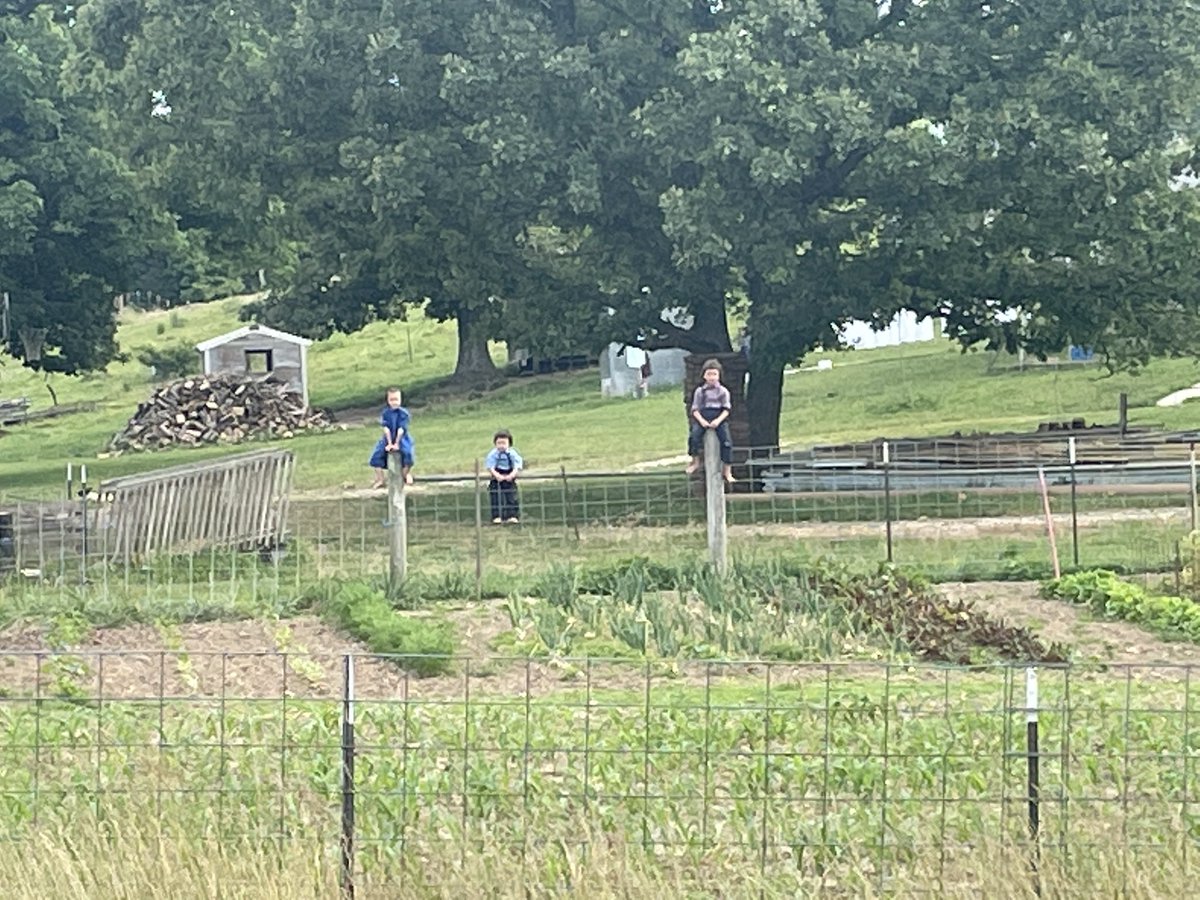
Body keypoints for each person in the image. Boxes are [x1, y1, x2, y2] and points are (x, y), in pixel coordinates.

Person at [685, 359, 735, 483]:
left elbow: (726, 409)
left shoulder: (723, 391)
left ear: (719, 375)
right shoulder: (700, 391)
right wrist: (702, 421)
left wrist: (718, 421)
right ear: (704, 375)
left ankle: (727, 471)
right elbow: (695, 409)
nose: (712, 377)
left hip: (719, 418)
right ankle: (695, 461)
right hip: (703, 417)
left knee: (727, 442)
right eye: (709, 374)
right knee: (694, 436)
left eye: (714, 374)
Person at [369, 387, 414, 488]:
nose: (394, 402)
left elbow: (401, 430)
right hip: (388, 437)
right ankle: (380, 479)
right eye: (391, 400)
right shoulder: (386, 413)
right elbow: (386, 429)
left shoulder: (403, 413)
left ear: (401, 400)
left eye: (396, 399)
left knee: (408, 454)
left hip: (401, 437)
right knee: (376, 455)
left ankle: (405, 474)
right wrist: (389, 443)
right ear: (388, 400)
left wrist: (397, 443)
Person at [485, 429, 523, 523]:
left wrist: (512, 475)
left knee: (511, 496)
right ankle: (496, 516)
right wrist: (497, 475)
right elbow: (490, 467)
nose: (501, 446)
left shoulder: (512, 453)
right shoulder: (493, 454)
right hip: (496, 475)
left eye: (504, 443)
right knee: (495, 496)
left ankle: (512, 516)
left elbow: (517, 465)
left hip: (509, 474)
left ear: (509, 444)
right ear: (495, 444)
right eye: (499, 443)